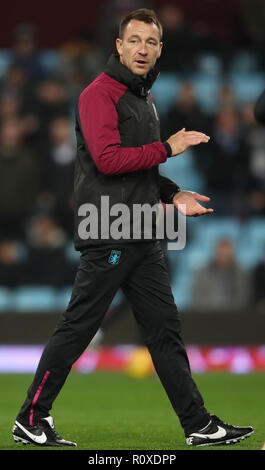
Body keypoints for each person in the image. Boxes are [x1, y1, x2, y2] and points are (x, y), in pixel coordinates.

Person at [12, 8, 254, 448]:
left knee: (163, 331)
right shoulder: (98, 95)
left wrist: (173, 193)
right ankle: (31, 416)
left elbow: (138, 171)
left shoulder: (141, 97)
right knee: (80, 326)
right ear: (118, 46)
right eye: (135, 40)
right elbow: (107, 161)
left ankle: (197, 424)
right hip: (109, 228)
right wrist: (168, 147)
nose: (143, 48)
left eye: (152, 42)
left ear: (160, 49)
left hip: (143, 227)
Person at [191, 239, 251, 312]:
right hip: (207, 315)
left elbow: (243, 298)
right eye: (221, 254)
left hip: (233, 316)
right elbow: (196, 296)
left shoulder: (241, 275)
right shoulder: (202, 273)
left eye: (227, 256)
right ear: (216, 253)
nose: (224, 257)